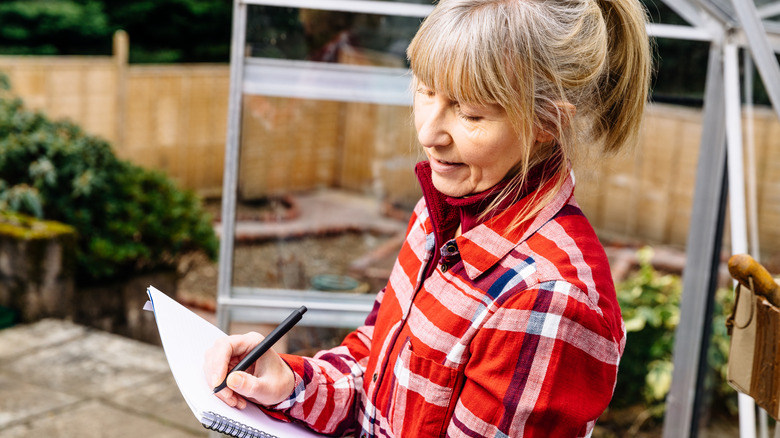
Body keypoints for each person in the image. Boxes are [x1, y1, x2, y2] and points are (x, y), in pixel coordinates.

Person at [204, 0, 651, 436]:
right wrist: (291, 383)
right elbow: (376, 367)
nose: (428, 133)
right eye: (424, 90)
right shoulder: (444, 211)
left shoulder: (548, 300)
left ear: (547, 123)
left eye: (469, 112)